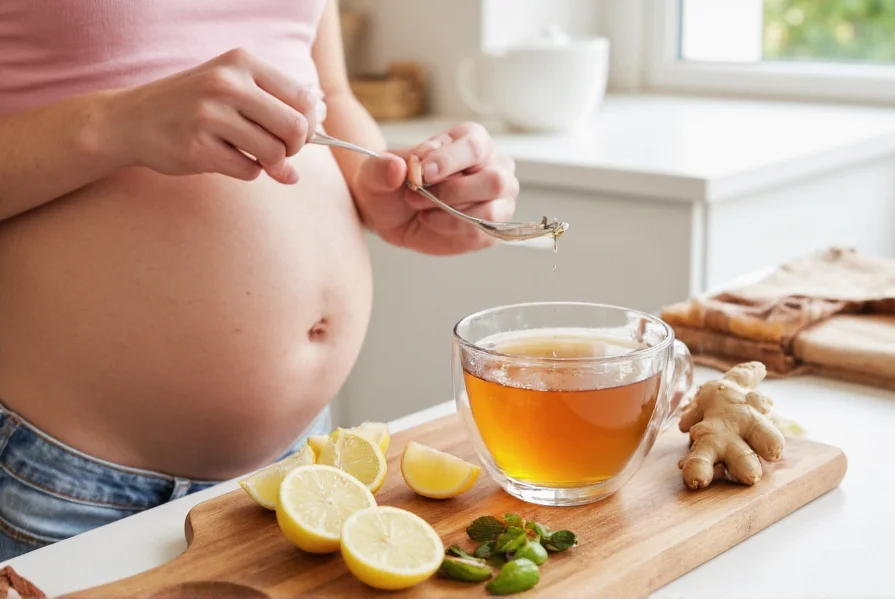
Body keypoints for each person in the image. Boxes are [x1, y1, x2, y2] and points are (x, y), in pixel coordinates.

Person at [0, 0, 518, 561]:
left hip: (296, 466)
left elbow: (327, 95)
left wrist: (387, 189)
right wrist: (116, 122)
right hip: (70, 484)